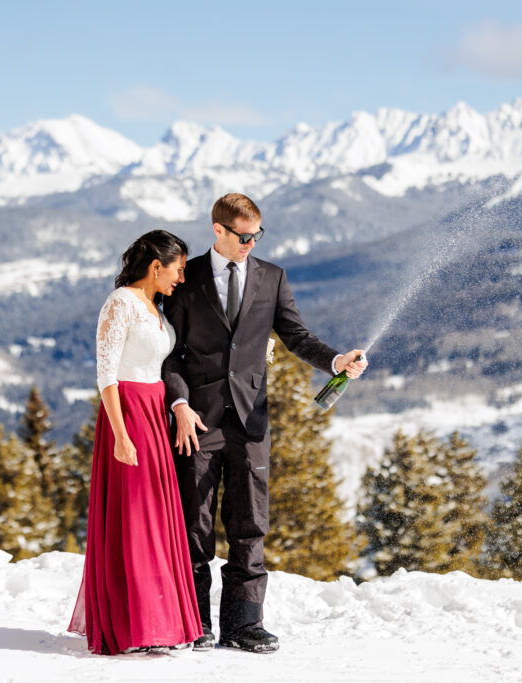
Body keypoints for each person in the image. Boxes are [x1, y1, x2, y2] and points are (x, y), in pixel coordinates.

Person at [162, 193, 368, 654]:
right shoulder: (186, 278)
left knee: (250, 523)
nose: (251, 243)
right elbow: (168, 353)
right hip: (197, 419)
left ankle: (244, 624)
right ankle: (193, 621)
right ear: (218, 230)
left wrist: (335, 360)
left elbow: (295, 334)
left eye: (258, 234)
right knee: (194, 525)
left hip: (252, 420)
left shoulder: (272, 277)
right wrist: (178, 405)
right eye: (243, 235)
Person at [69, 230, 203, 655]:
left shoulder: (154, 306)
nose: (181, 278)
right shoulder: (120, 303)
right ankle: (131, 626)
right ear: (156, 265)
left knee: (156, 519)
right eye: (178, 269)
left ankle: (158, 623)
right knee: (132, 519)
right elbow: (106, 375)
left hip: (154, 412)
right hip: (127, 413)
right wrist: (121, 436)